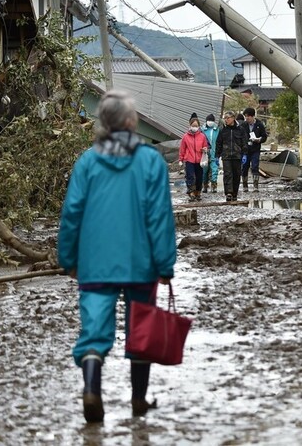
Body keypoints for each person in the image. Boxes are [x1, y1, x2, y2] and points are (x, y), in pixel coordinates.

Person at [58, 90, 176, 423]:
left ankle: (92, 389)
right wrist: (165, 263)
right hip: (141, 264)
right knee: (142, 329)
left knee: (94, 331)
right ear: (129, 121)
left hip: (95, 263)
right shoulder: (150, 160)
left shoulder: (88, 162)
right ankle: (138, 400)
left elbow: (72, 213)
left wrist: (68, 258)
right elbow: (159, 216)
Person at [216, 110, 246, 201]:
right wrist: (217, 155)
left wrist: (245, 154)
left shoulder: (240, 129)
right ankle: (228, 193)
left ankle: (235, 193)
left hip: (237, 156)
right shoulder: (222, 130)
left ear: (233, 118)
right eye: (225, 118)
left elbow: (244, 142)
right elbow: (219, 143)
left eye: (228, 118)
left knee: (236, 175)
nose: (226, 120)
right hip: (226, 156)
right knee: (228, 174)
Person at [179, 113, 209, 202]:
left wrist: (205, 149)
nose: (194, 127)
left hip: (200, 160)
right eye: (193, 125)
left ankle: (198, 192)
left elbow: (206, 146)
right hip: (189, 159)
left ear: (199, 126)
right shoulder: (185, 136)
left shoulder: (202, 136)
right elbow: (182, 149)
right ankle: (191, 192)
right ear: (190, 126)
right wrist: (181, 159)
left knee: (199, 177)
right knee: (190, 176)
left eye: (196, 125)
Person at [240, 107, 269, 192]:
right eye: (245, 117)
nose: (247, 118)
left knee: (255, 166)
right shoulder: (243, 125)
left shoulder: (259, 125)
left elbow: (264, 136)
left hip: (255, 149)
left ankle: (255, 185)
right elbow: (240, 136)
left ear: (253, 116)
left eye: (248, 116)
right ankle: (245, 185)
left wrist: (259, 139)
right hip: (245, 150)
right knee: (245, 166)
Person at [200, 114, 220, 193]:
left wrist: (219, 153)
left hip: (214, 153)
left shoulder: (217, 129)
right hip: (205, 153)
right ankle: (205, 185)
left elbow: (219, 141)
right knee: (204, 171)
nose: (210, 122)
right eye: (209, 120)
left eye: (212, 121)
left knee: (214, 169)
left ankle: (214, 185)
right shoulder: (202, 130)